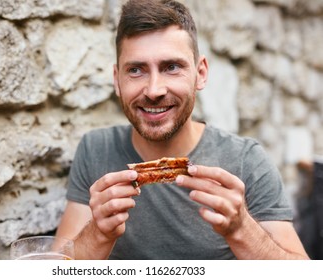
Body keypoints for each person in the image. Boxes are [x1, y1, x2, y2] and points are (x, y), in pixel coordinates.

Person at [56, 0, 309, 260]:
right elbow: (54, 269)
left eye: (171, 67)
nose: (154, 90)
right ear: (116, 80)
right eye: (135, 70)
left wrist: (242, 229)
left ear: (200, 73)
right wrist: (98, 233)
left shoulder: (246, 160)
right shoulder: (96, 149)